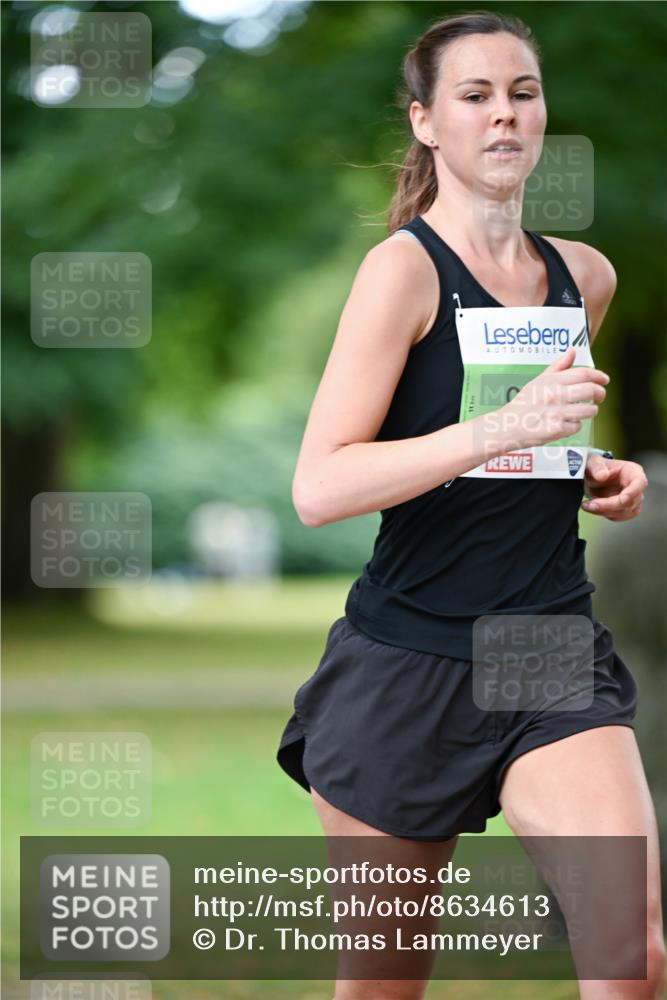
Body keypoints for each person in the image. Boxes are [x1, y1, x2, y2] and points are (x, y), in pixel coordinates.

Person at [276, 11, 663, 999]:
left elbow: (526, 436)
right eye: (475, 96)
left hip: (545, 644)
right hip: (408, 658)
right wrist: (510, 427)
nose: (504, 116)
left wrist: (590, 469)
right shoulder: (401, 271)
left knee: (632, 955)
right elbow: (321, 485)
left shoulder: (583, 277)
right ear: (426, 122)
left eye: (521, 93)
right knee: (384, 979)